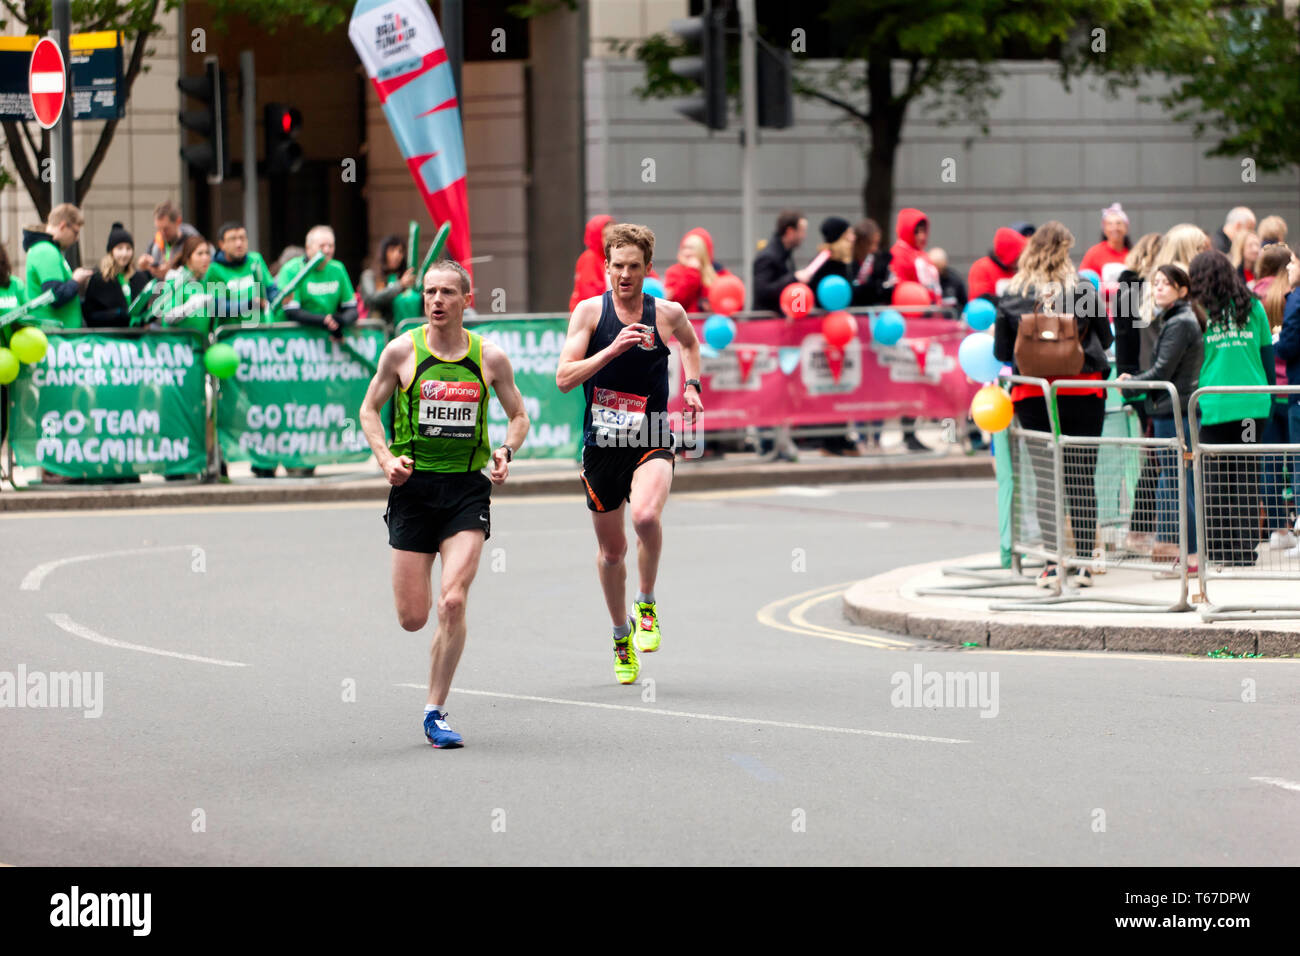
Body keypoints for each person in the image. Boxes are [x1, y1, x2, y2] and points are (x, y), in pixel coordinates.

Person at [358, 260, 529, 749]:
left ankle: (435, 711)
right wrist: (385, 458)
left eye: (447, 293)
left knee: (451, 601)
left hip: (466, 491)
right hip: (413, 490)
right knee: (413, 617)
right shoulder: (401, 351)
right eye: (430, 292)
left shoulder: (489, 358)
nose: (436, 300)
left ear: (466, 300)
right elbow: (369, 409)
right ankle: (431, 671)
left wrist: (505, 451)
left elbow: (519, 416)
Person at [556, 223, 703, 684]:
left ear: (647, 269)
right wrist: (611, 350)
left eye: (633, 267)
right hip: (602, 444)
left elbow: (691, 344)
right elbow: (564, 377)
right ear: (605, 266)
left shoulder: (666, 313)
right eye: (617, 266)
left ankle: (647, 601)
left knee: (643, 517)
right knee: (612, 552)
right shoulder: (588, 314)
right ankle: (621, 635)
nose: (624, 275)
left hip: (652, 434)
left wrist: (692, 385)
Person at [993, 221, 1113, 588]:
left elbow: (1001, 352)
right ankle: (1082, 566)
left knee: (1046, 479)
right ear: (1065, 251)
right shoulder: (1082, 290)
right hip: (1082, 389)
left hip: (1033, 395)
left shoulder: (1013, 294)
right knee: (1081, 477)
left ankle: (1049, 564)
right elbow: (1106, 340)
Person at [1189, 249, 1275, 567]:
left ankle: (1220, 549)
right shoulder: (1253, 307)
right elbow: (1266, 356)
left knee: (1215, 478)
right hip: (1252, 405)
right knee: (1246, 476)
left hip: (1214, 404)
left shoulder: (1199, 311)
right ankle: (1244, 550)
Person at [1118, 265, 1205, 565]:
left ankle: (1192, 556)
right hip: (1171, 410)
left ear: (1182, 290)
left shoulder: (1180, 322)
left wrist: (1131, 384)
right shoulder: (1175, 319)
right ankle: (1189, 555)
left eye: (1166, 284)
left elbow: (1162, 370)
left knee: (1180, 484)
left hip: (1174, 411)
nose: (1158, 288)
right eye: (1155, 283)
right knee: (1179, 482)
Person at [270, 226, 359, 478]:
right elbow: (292, 311)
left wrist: (339, 321)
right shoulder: (291, 270)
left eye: (330, 246)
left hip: (321, 353)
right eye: (322, 247)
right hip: (290, 348)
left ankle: (309, 457)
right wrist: (325, 321)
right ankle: (283, 460)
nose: (327, 251)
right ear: (308, 249)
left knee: (316, 402)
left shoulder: (338, 269)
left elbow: (351, 307)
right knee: (289, 404)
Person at [1251, 243, 1297, 549]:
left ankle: (1278, 531)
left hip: (1267, 390)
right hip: (1292, 387)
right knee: (1295, 461)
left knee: (1268, 461)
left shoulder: (1254, 295)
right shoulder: (1290, 295)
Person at [23, 204, 93, 330]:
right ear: (63, 226)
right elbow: (55, 296)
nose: (76, 239)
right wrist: (75, 281)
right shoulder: (46, 251)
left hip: (57, 336)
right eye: (75, 232)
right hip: (54, 337)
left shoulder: (46, 250)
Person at [205, 222, 278, 328]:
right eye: (233, 239)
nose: (239, 243)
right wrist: (249, 304)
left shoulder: (255, 259)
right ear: (222, 244)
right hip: (231, 335)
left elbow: (271, 290)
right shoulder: (214, 269)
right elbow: (218, 307)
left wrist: (279, 298)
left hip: (261, 331)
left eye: (242, 238)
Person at [1275, 258, 1300, 557]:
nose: (1289, 269)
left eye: (1293, 263)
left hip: (1296, 391)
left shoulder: (1295, 299)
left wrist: (1278, 341)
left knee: (1297, 460)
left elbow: (1289, 345)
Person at [82, 222, 150, 328]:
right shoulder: (99, 279)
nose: (124, 253)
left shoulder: (140, 278)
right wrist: (115, 314)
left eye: (128, 248)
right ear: (111, 251)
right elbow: (90, 315)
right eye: (120, 248)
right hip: (109, 340)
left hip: (137, 339)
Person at [753, 209, 819, 312]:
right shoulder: (767, 257)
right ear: (790, 232)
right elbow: (763, 292)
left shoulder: (785, 254)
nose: (804, 236)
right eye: (801, 231)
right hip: (767, 323)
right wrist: (794, 278)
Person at [359, 234, 416, 324]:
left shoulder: (404, 276)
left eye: (400, 251)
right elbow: (371, 299)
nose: (397, 255)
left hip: (401, 330)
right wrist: (400, 285)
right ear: (383, 253)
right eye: (392, 250)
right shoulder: (369, 275)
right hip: (378, 331)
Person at [888, 207, 941, 302]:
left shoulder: (921, 254)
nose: (922, 236)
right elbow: (903, 291)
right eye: (917, 231)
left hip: (929, 310)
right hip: (913, 311)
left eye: (924, 231)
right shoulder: (898, 255)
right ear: (907, 230)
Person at [140, 200, 199, 280]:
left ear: (178, 221)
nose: (162, 233)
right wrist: (145, 268)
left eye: (166, 229)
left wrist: (171, 272)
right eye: (159, 229)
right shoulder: (155, 243)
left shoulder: (193, 242)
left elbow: (200, 273)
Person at [664, 229, 720, 313]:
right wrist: (692, 272)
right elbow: (677, 302)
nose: (687, 252)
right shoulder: (673, 272)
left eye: (691, 248)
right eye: (684, 248)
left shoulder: (713, 272)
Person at [968, 227, 1029, 301]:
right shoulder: (982, 268)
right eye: (1018, 257)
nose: (1021, 261)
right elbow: (979, 300)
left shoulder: (1021, 269)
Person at [570, 214, 614, 312]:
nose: (611, 240)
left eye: (614, 234)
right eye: (606, 236)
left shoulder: (617, 256)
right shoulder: (589, 259)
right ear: (597, 237)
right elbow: (590, 296)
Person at [1078, 203, 1132, 282]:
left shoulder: (1133, 254)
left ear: (1126, 227)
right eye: (1110, 224)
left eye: (1119, 223)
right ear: (1104, 229)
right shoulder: (1094, 253)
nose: (1115, 228)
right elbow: (1083, 281)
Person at [850, 218, 892, 307]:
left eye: (877, 244)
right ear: (860, 243)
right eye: (870, 244)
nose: (874, 248)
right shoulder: (850, 264)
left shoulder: (880, 260)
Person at [926, 247, 967, 312]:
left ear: (944, 264)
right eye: (933, 267)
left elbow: (964, 304)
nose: (936, 271)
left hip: (951, 320)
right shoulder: (924, 281)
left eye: (939, 267)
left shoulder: (955, 281)